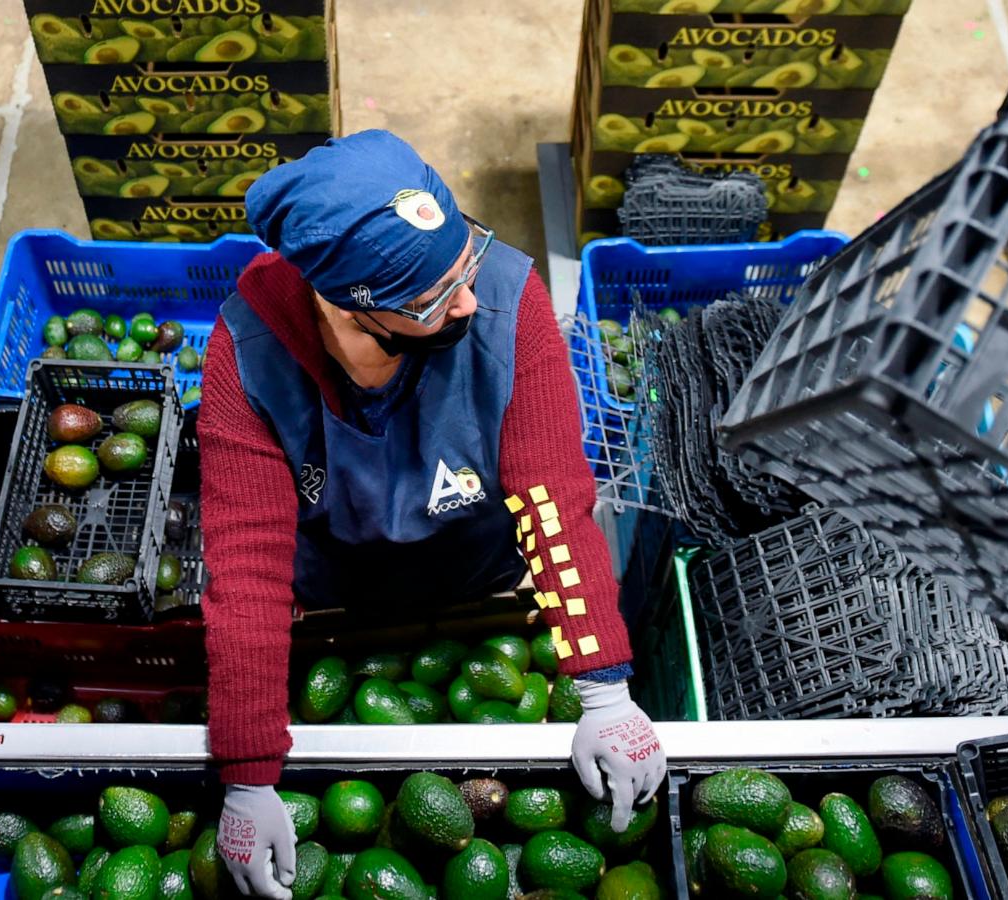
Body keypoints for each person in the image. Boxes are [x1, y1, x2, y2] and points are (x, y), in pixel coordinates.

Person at [198, 130, 666, 900]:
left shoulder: (511, 312)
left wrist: (603, 688)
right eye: (434, 298)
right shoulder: (247, 358)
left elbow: (554, 497)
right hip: (339, 587)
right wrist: (247, 774)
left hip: (477, 566)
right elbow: (246, 573)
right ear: (352, 308)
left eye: (466, 264)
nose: (468, 301)